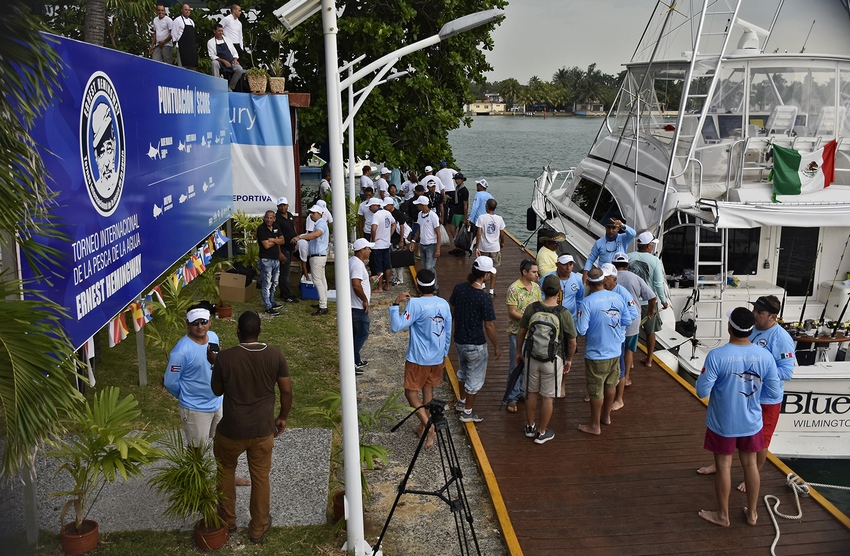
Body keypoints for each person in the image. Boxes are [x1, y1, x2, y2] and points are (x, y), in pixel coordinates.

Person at [696, 296, 796, 489]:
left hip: (766, 399)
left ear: (773, 317)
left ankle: (752, 475)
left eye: (760, 313)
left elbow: (787, 371)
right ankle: (719, 465)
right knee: (730, 434)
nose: (755, 315)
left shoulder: (781, 338)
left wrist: (761, 372)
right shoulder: (751, 329)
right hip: (745, 393)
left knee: (761, 441)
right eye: (755, 310)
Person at [695, 307, 780, 528]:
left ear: (729, 327)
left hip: (723, 423)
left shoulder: (717, 356)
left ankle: (723, 515)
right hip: (752, 422)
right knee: (750, 464)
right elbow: (773, 393)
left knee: (723, 466)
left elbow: (702, 391)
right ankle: (752, 514)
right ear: (751, 329)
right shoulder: (765, 356)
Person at [212, 311, 292, 544]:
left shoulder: (225, 358)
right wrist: (283, 417)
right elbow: (286, 390)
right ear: (260, 331)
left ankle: (228, 521)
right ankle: (258, 528)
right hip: (262, 429)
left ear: (237, 331)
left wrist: (216, 366)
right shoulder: (275, 355)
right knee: (260, 478)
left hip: (231, 430)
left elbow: (217, 391)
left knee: (225, 471)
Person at [389, 269, 452, 448]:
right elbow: (447, 332)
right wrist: (445, 353)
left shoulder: (415, 304)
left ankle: (428, 426)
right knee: (428, 390)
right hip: (437, 356)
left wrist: (395, 304)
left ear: (417, 285)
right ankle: (422, 425)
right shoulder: (443, 303)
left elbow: (396, 326)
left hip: (418, 358)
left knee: (410, 393)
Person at [515, 274, 577, 444]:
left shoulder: (532, 308)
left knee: (531, 392)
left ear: (542, 289)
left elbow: (521, 333)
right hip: (553, 359)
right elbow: (572, 342)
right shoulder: (563, 313)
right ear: (559, 291)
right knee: (548, 396)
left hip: (532, 357)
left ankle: (530, 426)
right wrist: (569, 360)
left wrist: (518, 353)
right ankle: (542, 432)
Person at [575, 267, 633, 435]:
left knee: (595, 389)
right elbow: (627, 320)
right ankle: (606, 416)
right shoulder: (618, 297)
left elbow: (581, 330)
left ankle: (595, 425)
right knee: (610, 384)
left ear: (588, 283)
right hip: (615, 351)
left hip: (596, 353)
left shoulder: (587, 302)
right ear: (602, 280)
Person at [450, 256, 502, 423]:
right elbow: (489, 326)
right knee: (475, 379)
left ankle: (461, 401)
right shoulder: (484, 298)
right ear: (485, 275)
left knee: (463, 372)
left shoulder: (459, 288)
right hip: (476, 343)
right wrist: (496, 345)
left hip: (459, 340)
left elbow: (453, 311)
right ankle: (467, 412)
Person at [164, 305, 222, 446]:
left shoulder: (213, 337)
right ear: (188, 324)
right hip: (195, 409)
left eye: (204, 322)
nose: (200, 326)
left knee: (221, 443)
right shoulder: (181, 352)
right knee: (197, 449)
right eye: (195, 323)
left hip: (218, 403)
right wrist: (187, 396)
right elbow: (170, 383)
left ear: (210, 321)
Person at [605, 258, 652, 411]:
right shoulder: (602, 290)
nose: (603, 281)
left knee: (622, 362)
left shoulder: (622, 292)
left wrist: (617, 321)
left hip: (620, 333)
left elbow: (631, 312)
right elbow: (652, 296)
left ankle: (620, 395)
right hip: (607, 335)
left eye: (605, 278)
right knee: (623, 356)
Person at [504, 259, 542, 413]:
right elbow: (512, 312)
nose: (536, 274)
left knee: (527, 365)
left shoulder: (536, 288)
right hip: (516, 333)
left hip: (533, 334)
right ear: (524, 272)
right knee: (515, 365)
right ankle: (511, 398)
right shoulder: (514, 289)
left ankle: (519, 391)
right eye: (533, 272)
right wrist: (529, 319)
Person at [628, 231, 669, 367]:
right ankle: (649, 359)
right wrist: (663, 300)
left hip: (631, 301)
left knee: (631, 331)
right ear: (649, 246)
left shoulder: (628, 257)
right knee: (650, 332)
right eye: (652, 244)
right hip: (649, 302)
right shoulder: (655, 260)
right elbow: (658, 283)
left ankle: (630, 361)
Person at [296, 205, 330, 316]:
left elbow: (316, 234)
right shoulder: (320, 223)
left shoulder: (320, 224)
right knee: (322, 279)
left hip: (317, 256)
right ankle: (323, 302)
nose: (311, 215)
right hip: (319, 255)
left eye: (313, 213)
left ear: (320, 214)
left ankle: (323, 305)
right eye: (310, 213)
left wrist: (301, 237)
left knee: (317, 281)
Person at [350, 238, 374, 373]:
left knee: (355, 334)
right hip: (358, 307)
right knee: (362, 334)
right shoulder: (358, 265)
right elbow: (356, 285)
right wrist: (365, 300)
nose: (370, 251)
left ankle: (356, 359)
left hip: (353, 305)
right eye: (368, 248)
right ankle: (351, 361)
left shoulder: (352, 262)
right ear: (362, 250)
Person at [411, 195, 441, 293]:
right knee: (424, 267)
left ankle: (435, 286)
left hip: (431, 245)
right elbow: (419, 229)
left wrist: (438, 248)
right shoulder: (420, 214)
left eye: (419, 205)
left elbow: (438, 232)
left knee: (430, 267)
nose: (417, 206)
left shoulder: (433, 216)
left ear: (423, 205)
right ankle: (426, 286)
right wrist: (414, 240)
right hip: (423, 244)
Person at [475, 198, 505, 296]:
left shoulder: (481, 218)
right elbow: (502, 233)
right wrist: (502, 243)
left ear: (486, 207)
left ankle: (483, 286)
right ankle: (491, 291)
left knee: (482, 268)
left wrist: (477, 247)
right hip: (494, 247)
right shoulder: (499, 218)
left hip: (483, 247)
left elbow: (479, 233)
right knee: (493, 269)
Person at [256, 210, 284, 316]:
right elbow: (266, 245)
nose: (269, 220)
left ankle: (272, 302)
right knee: (266, 284)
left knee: (274, 282)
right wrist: (276, 240)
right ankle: (268, 306)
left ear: (274, 218)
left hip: (276, 259)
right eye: (267, 217)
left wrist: (272, 240)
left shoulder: (276, 226)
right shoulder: (261, 229)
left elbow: (283, 240)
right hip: (266, 260)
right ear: (264, 218)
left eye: (271, 218)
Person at [542, 254, 584, 322]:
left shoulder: (578, 279)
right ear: (557, 264)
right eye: (564, 264)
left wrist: (580, 317)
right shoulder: (547, 278)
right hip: (551, 318)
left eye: (570, 264)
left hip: (570, 319)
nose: (568, 268)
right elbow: (541, 295)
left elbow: (579, 299)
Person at [275, 197, 299, 304]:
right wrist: (279, 252)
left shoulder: (289, 215)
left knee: (286, 270)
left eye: (284, 205)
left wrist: (296, 240)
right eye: (281, 205)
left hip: (291, 246)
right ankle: (286, 294)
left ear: (287, 205)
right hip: (283, 248)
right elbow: (276, 237)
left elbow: (293, 228)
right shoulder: (277, 219)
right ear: (278, 207)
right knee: (285, 272)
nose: (283, 207)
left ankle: (284, 292)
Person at [370, 197, 397, 293]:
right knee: (387, 265)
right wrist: (389, 234)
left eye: (370, 207)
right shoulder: (388, 213)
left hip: (378, 245)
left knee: (378, 266)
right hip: (386, 243)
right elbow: (394, 224)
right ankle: (387, 285)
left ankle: (379, 287)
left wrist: (373, 239)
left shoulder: (376, 215)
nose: (370, 209)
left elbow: (373, 228)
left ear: (375, 206)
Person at [207, 23, 244, 91]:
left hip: (231, 61)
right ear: (214, 31)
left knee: (239, 69)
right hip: (220, 62)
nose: (221, 32)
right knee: (214, 63)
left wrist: (235, 59)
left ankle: (230, 87)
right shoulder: (210, 42)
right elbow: (212, 55)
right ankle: (216, 86)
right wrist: (223, 61)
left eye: (222, 31)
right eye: (219, 31)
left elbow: (234, 52)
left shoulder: (228, 40)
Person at [466, 179, 494, 252]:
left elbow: (475, 208)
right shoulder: (491, 196)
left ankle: (478, 251)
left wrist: (470, 219)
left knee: (477, 238)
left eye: (478, 185)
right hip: (488, 221)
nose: (476, 186)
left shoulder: (478, 195)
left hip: (478, 221)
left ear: (481, 186)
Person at [446, 172, 469, 254]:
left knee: (460, 231)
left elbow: (465, 204)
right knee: (452, 229)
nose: (457, 181)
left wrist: (466, 217)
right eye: (456, 179)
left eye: (459, 179)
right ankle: (457, 245)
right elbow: (456, 200)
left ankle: (460, 248)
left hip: (461, 213)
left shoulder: (464, 190)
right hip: (456, 211)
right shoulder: (457, 189)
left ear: (462, 180)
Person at [172, 4, 198, 70]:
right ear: (182, 10)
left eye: (189, 10)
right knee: (182, 68)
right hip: (181, 47)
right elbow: (174, 35)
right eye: (185, 10)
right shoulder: (177, 20)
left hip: (191, 49)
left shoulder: (191, 22)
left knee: (192, 67)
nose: (187, 11)